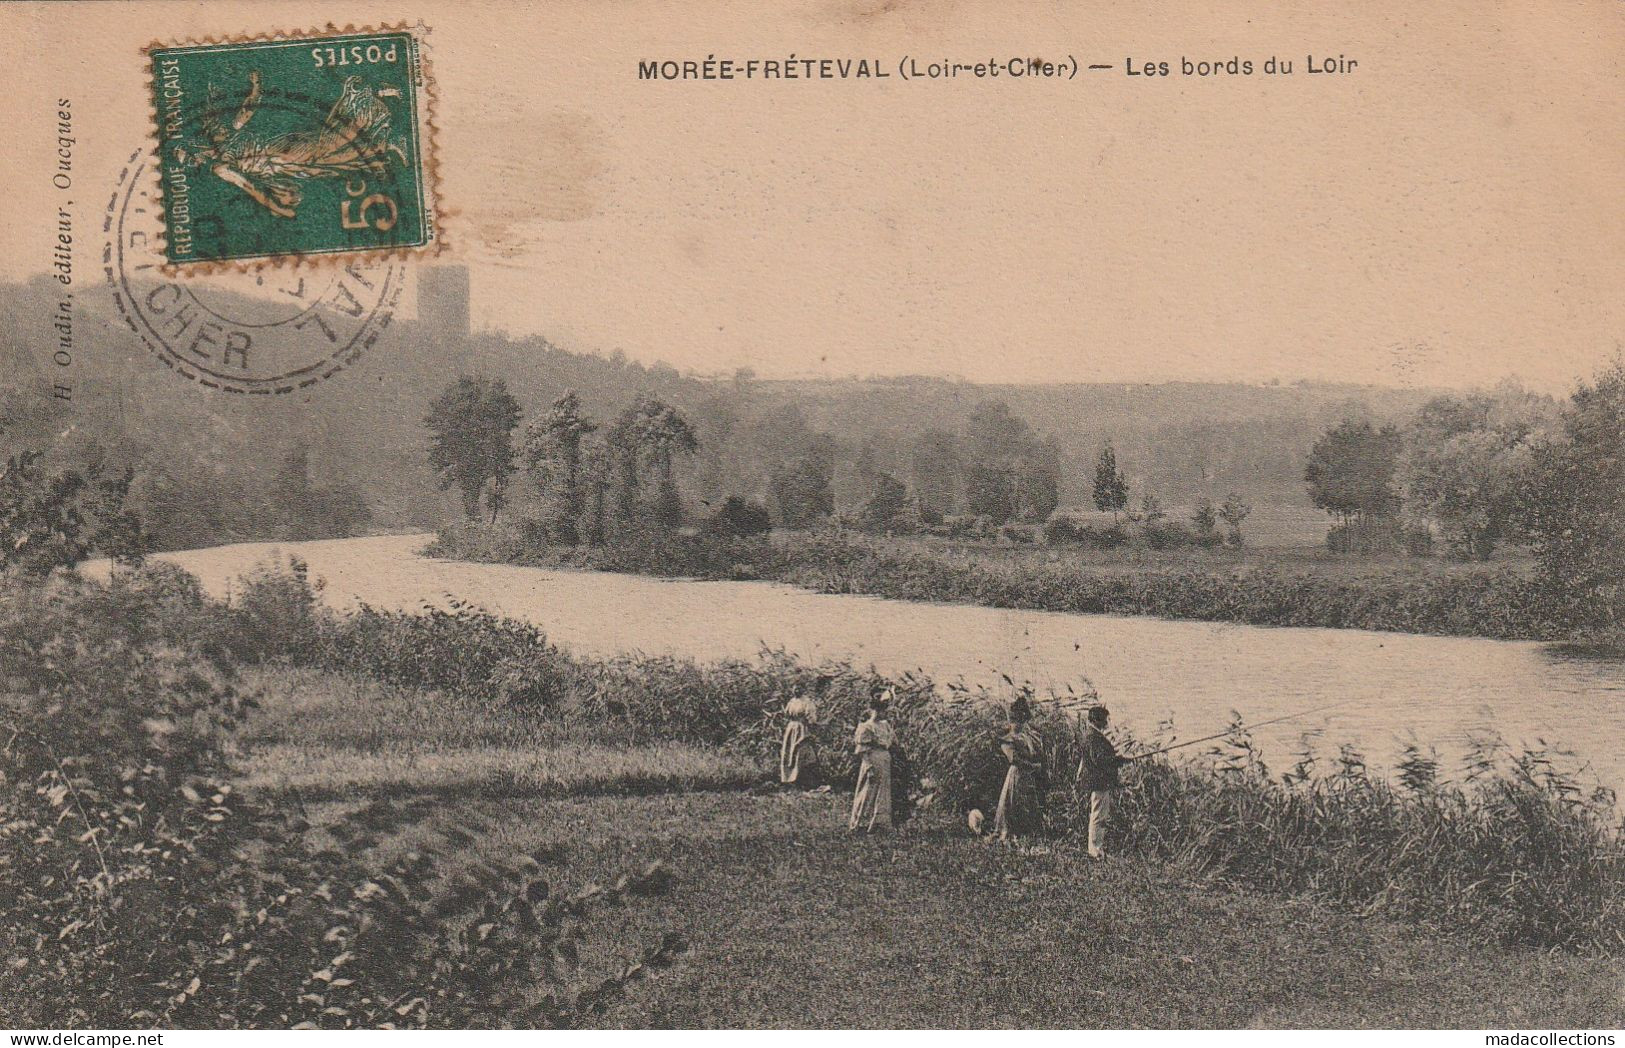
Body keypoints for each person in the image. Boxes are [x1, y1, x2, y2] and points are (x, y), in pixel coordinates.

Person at [1076, 705, 1131, 859]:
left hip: (1098, 782)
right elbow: (1100, 760)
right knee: (1099, 816)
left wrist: (1117, 760)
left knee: (1099, 814)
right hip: (1099, 782)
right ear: (1098, 720)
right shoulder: (1094, 737)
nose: (1107, 722)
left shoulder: (1091, 735)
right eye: (1105, 719)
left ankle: (1096, 849)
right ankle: (1095, 851)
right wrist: (1118, 760)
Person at [993, 695, 1045, 840]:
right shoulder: (1008, 740)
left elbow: (1033, 754)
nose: (1018, 725)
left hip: (1026, 775)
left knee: (1027, 803)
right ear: (1011, 722)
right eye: (1016, 722)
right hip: (1017, 774)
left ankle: (1028, 833)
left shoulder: (1025, 737)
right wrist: (1033, 766)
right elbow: (1014, 759)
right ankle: (1011, 832)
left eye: (1021, 722)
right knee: (1013, 803)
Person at [848, 690, 896, 834]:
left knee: (883, 792)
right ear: (872, 710)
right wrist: (868, 767)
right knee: (868, 791)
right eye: (878, 710)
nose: (881, 713)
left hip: (884, 760)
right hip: (872, 760)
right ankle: (861, 823)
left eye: (883, 710)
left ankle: (878, 824)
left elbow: (892, 742)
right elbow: (862, 750)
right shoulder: (866, 727)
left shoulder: (885, 725)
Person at [779, 679, 826, 788]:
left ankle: (802, 780)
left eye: (799, 688)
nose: (796, 690)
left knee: (801, 752)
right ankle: (788, 779)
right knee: (789, 751)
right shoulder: (791, 701)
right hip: (791, 728)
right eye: (795, 688)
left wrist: (811, 725)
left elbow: (811, 718)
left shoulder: (807, 702)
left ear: (803, 689)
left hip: (802, 729)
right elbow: (786, 714)